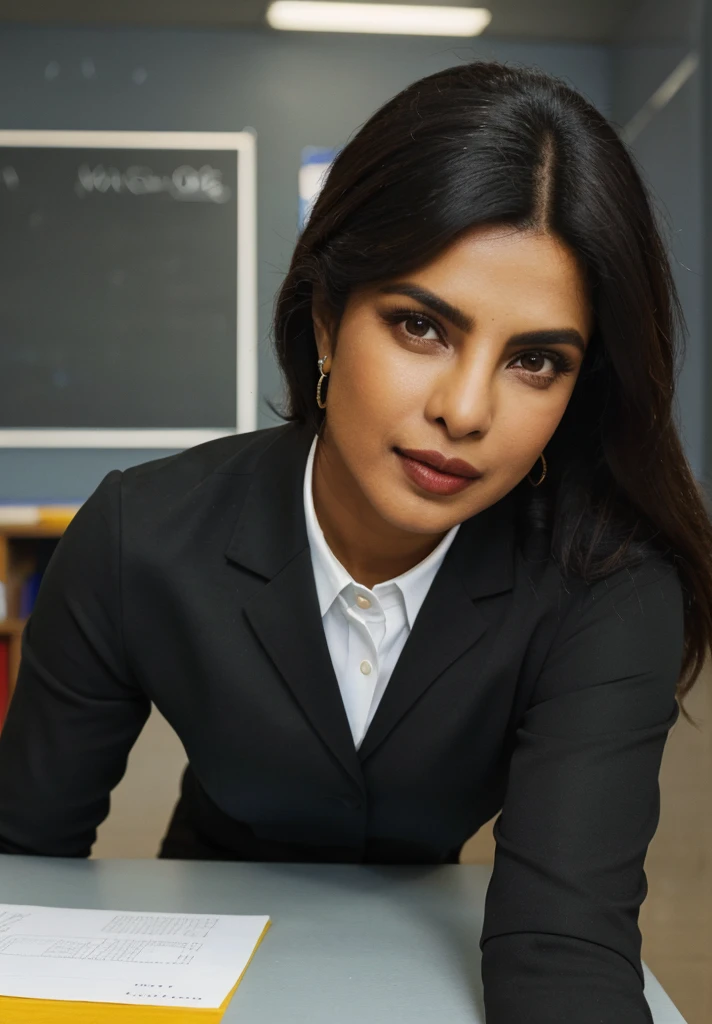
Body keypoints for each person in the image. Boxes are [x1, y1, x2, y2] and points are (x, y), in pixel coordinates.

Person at [0, 59, 710, 1024]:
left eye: (536, 361)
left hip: (429, 973)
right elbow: (20, 874)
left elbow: (563, 946)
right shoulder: (140, 536)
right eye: (421, 325)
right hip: (187, 964)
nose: (465, 411)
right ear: (327, 318)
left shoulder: (609, 583)